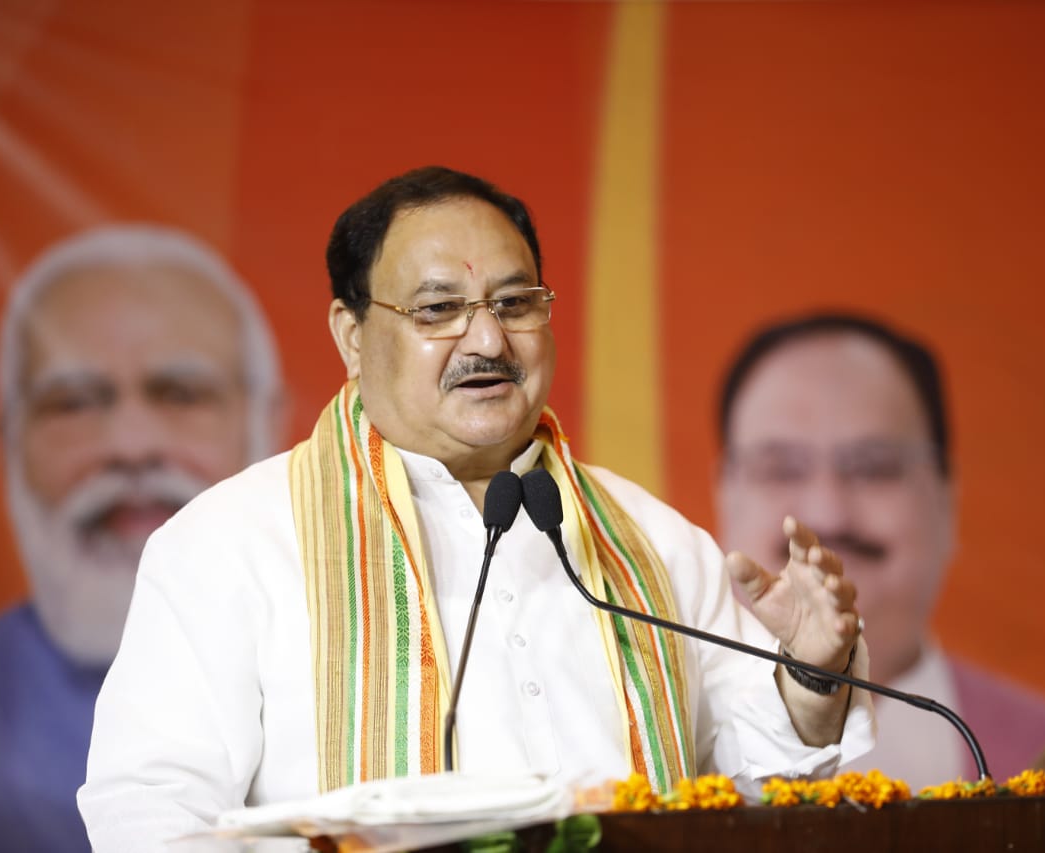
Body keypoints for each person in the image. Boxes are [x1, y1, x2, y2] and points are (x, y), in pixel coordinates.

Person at [78, 167, 876, 850]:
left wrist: (809, 678)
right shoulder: (230, 544)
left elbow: (761, 798)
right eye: (438, 310)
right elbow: (149, 815)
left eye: (516, 302)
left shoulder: (656, 545)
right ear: (351, 337)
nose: (489, 341)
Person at [0, 225, 283, 852]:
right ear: (9, 443)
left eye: (181, 394)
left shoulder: (363, 661)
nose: (131, 445)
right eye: (74, 403)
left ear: (268, 422)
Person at [715, 313, 1045, 790]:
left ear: (947, 497)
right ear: (724, 494)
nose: (827, 514)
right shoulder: (635, 757)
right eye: (781, 468)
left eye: (874, 468)